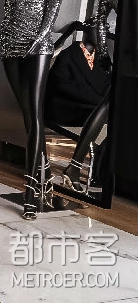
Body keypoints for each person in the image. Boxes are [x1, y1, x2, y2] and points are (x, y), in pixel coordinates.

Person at [0, 0, 70, 219]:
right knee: (28, 116)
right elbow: (7, 10)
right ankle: (46, 180)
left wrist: (39, 39)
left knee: (36, 114)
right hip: (9, 45)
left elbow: (52, 10)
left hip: (38, 46)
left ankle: (31, 192)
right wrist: (5, 40)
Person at [45, 19, 111, 193]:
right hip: (66, 108)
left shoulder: (102, 61)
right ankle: (83, 169)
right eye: (99, 30)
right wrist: (97, 101)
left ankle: (101, 173)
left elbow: (107, 87)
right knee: (105, 112)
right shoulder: (68, 55)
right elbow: (61, 85)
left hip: (89, 109)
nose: (102, 35)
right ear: (87, 31)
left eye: (104, 31)